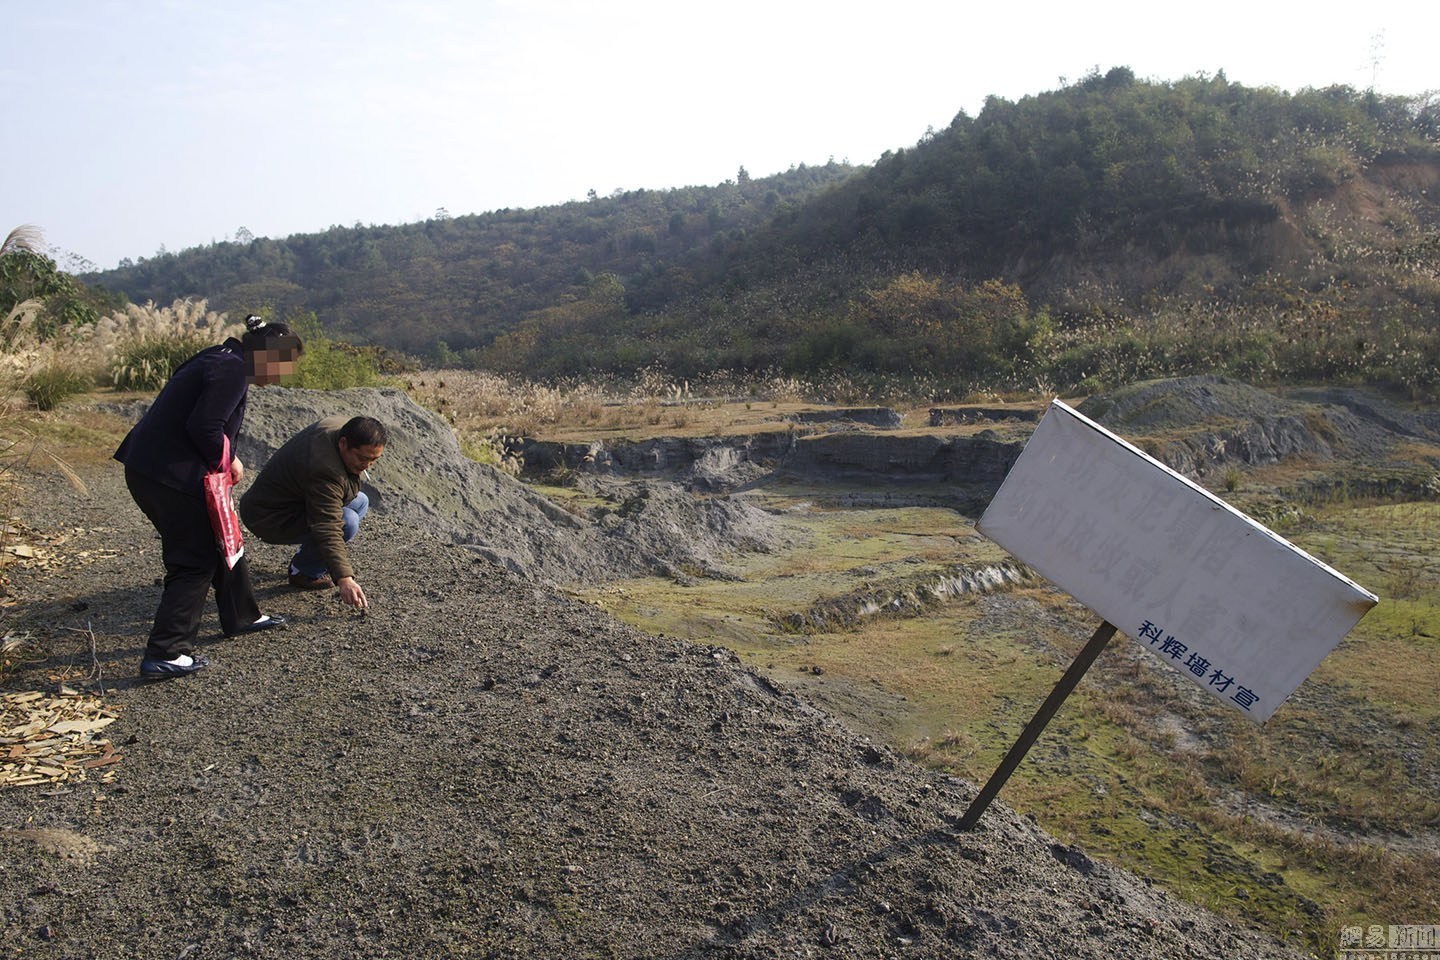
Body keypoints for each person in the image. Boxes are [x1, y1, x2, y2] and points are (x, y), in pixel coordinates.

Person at [115, 314, 302, 679]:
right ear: (266, 355)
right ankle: (167, 652)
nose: (282, 375)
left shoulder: (221, 358)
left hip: (152, 468)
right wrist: (228, 457)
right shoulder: (231, 369)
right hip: (169, 476)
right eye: (283, 365)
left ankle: (243, 615)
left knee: (223, 540)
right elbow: (204, 426)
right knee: (194, 559)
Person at [239, 415, 386, 611]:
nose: (367, 465)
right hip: (268, 517)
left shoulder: (339, 429)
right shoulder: (325, 469)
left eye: (373, 460)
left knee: (361, 501)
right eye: (362, 458)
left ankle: (307, 557)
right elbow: (328, 526)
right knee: (347, 521)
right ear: (343, 443)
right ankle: (303, 572)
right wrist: (344, 578)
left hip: (292, 500)